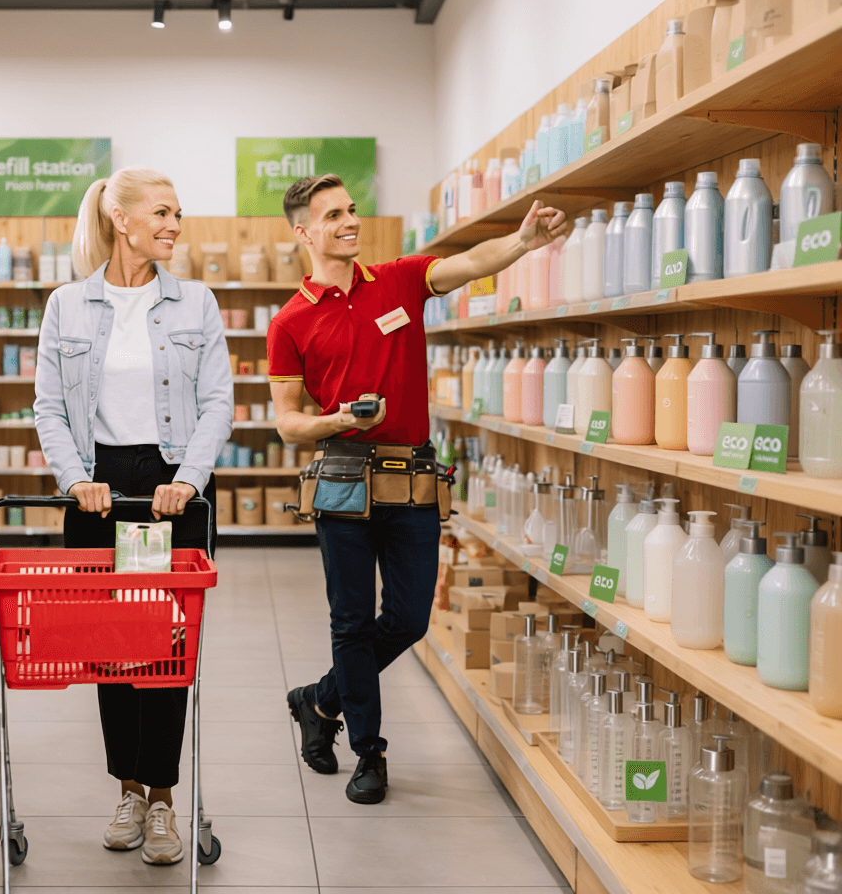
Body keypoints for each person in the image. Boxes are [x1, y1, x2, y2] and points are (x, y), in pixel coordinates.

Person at [267, 173, 566, 804]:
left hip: (411, 476)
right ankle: (369, 754)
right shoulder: (290, 321)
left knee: (407, 618)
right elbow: (288, 421)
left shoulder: (399, 279)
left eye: (352, 210)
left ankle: (316, 701)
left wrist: (523, 242)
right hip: (344, 476)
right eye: (333, 215)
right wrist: (340, 420)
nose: (350, 221)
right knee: (350, 622)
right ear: (303, 231)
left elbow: (468, 263)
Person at [33, 166, 233, 863]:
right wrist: (74, 477)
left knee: (162, 649)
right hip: (97, 489)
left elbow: (216, 403)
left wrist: (187, 479)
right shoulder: (67, 306)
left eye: (179, 214)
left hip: (162, 488)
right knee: (111, 647)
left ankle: (165, 800)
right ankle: (128, 788)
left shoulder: (194, 304)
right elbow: (49, 406)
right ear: (122, 218)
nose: (175, 225)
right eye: (162, 212)